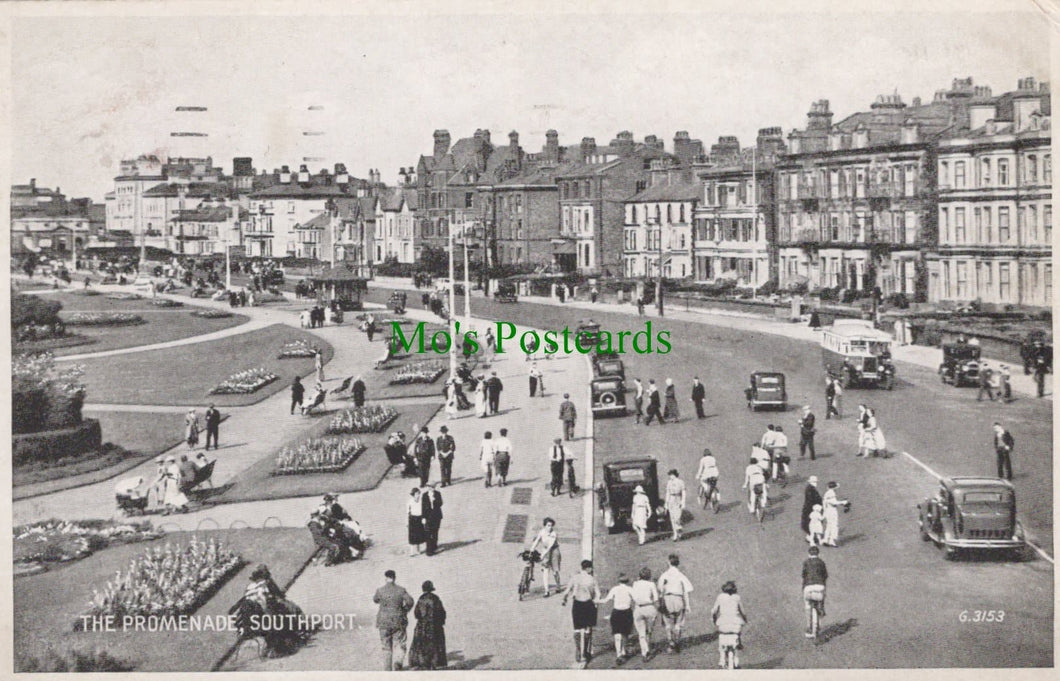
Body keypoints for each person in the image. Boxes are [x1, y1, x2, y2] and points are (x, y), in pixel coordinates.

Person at [242, 564, 309, 656]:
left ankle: (295, 633)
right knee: (288, 610)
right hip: (264, 616)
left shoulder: (252, 587)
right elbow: (273, 599)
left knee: (285, 610)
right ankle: (296, 633)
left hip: (258, 616)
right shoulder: (264, 585)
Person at [562, 559, 602, 668]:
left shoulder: (575, 578)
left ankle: (579, 651)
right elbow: (598, 594)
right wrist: (596, 602)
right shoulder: (592, 579)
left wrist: (564, 599)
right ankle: (585, 652)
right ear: (588, 568)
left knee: (577, 629)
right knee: (587, 629)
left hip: (577, 604)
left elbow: (567, 591)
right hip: (588, 604)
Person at [374, 570, 415, 671]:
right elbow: (410, 601)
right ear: (394, 578)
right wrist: (404, 610)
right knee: (400, 643)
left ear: (385, 578)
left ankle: (387, 669)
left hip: (383, 622)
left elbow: (375, 600)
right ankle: (398, 663)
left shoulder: (380, 590)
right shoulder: (401, 590)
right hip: (398, 620)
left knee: (386, 647)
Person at [596, 573, 635, 666]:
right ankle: (623, 651)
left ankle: (619, 654)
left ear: (619, 581)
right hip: (627, 612)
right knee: (625, 634)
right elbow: (636, 599)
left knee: (617, 635)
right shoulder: (630, 589)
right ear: (627, 581)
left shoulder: (614, 589)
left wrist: (596, 600)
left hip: (616, 613)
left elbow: (606, 600)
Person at [657, 554, 693, 653]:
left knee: (668, 623)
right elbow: (686, 591)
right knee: (678, 622)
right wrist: (688, 605)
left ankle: (670, 643)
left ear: (668, 562)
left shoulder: (664, 575)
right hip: (678, 599)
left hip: (667, 599)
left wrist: (661, 603)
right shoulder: (681, 576)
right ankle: (677, 642)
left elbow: (660, 590)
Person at [407, 581, 447, 670]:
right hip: (435, 626)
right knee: (435, 644)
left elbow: (416, 614)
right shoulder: (435, 598)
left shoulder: (421, 599)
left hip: (423, 626)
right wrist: (441, 622)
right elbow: (442, 612)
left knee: (422, 645)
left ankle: (424, 664)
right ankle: (435, 663)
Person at [711, 581, 748, 668]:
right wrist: (745, 619)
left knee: (721, 636)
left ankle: (722, 659)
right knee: (738, 633)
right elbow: (743, 612)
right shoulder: (737, 598)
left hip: (723, 624)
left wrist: (714, 619)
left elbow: (714, 611)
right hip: (735, 624)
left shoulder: (720, 597)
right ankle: (738, 645)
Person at [630, 567, 660, 662]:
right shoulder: (651, 584)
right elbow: (656, 598)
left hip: (638, 608)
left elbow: (634, 596)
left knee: (641, 633)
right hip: (649, 608)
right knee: (649, 631)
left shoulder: (635, 584)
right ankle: (647, 648)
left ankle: (645, 651)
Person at [528, 518, 562, 597]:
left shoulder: (553, 533)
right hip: (545, 550)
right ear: (544, 526)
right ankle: (546, 591)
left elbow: (549, 546)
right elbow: (537, 540)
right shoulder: (542, 532)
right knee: (545, 570)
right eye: (548, 525)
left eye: (551, 525)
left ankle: (558, 586)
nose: (550, 527)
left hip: (554, 551)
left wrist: (542, 556)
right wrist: (531, 550)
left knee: (555, 571)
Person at [802, 546, 828, 637]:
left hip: (808, 587)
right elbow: (825, 576)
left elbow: (804, 575)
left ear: (809, 554)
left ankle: (809, 626)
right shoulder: (821, 562)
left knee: (807, 605)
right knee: (821, 599)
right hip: (820, 586)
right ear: (818, 554)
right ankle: (821, 609)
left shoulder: (806, 562)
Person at [821, 481, 849, 547]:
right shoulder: (831, 493)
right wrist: (843, 502)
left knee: (829, 525)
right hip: (831, 511)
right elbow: (833, 502)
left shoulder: (827, 493)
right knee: (834, 525)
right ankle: (832, 541)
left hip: (827, 511)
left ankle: (826, 539)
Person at [664, 469, 686, 541]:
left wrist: (683, 502)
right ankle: (675, 534)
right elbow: (667, 492)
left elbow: (683, 492)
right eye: (670, 475)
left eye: (672, 475)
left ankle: (679, 529)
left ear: (675, 475)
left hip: (678, 498)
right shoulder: (669, 482)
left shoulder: (680, 482)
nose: (671, 476)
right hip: (671, 499)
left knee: (677, 517)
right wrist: (666, 503)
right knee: (672, 518)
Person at [421, 484, 444, 556]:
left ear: (434, 488)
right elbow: (423, 507)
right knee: (428, 533)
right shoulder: (424, 495)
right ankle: (429, 551)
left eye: (431, 487)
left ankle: (434, 546)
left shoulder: (437, 494)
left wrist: (434, 500)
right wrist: (423, 517)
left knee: (435, 532)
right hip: (428, 517)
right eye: (428, 487)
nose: (430, 488)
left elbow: (440, 503)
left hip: (436, 516)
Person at [407, 488, 426, 556]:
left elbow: (423, 509)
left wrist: (423, 518)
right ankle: (412, 551)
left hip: (419, 518)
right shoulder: (410, 501)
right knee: (412, 535)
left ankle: (418, 550)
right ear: (413, 495)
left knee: (419, 534)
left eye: (419, 494)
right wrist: (407, 521)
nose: (418, 495)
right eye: (417, 494)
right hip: (412, 519)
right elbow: (408, 511)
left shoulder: (421, 501)